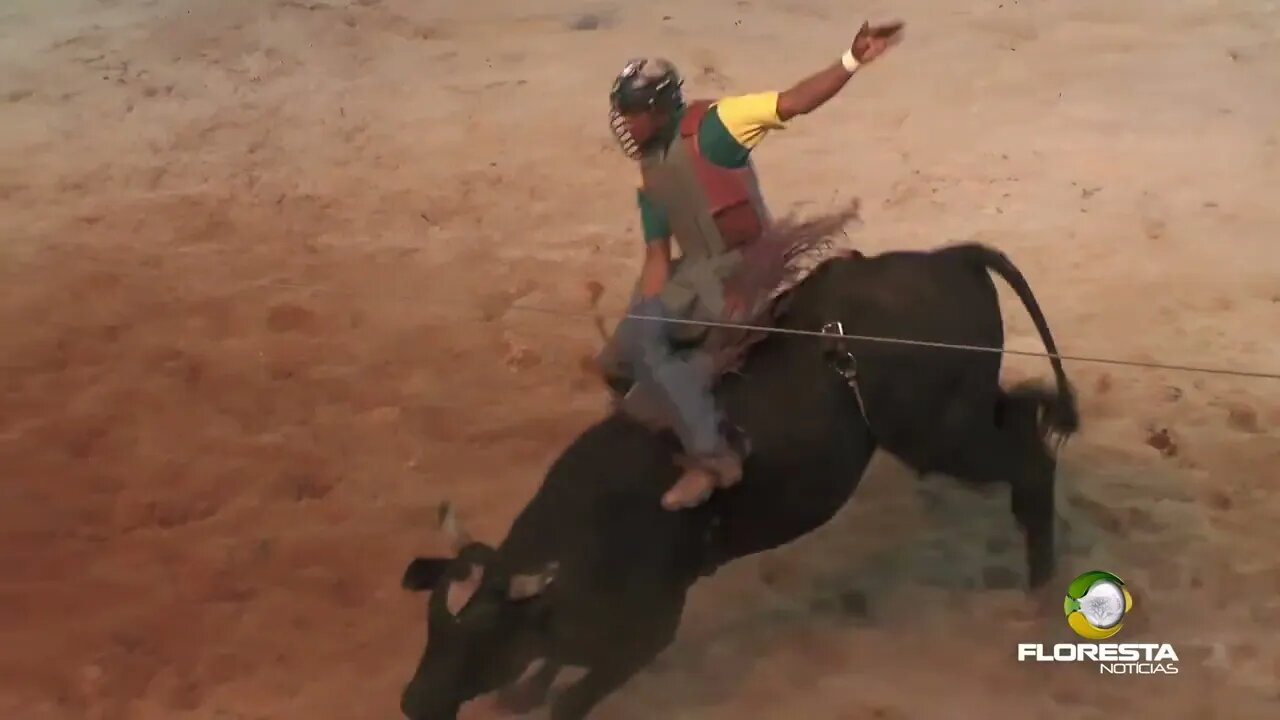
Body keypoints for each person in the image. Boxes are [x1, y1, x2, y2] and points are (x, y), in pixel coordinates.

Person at [597, 20, 905, 511]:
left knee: (656, 346)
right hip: (694, 273)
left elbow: (795, 100)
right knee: (620, 355)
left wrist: (851, 59)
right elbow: (657, 257)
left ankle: (715, 456)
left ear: (658, 107)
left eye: (632, 114)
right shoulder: (650, 169)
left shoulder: (717, 126)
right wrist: (643, 311)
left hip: (744, 268)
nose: (626, 126)